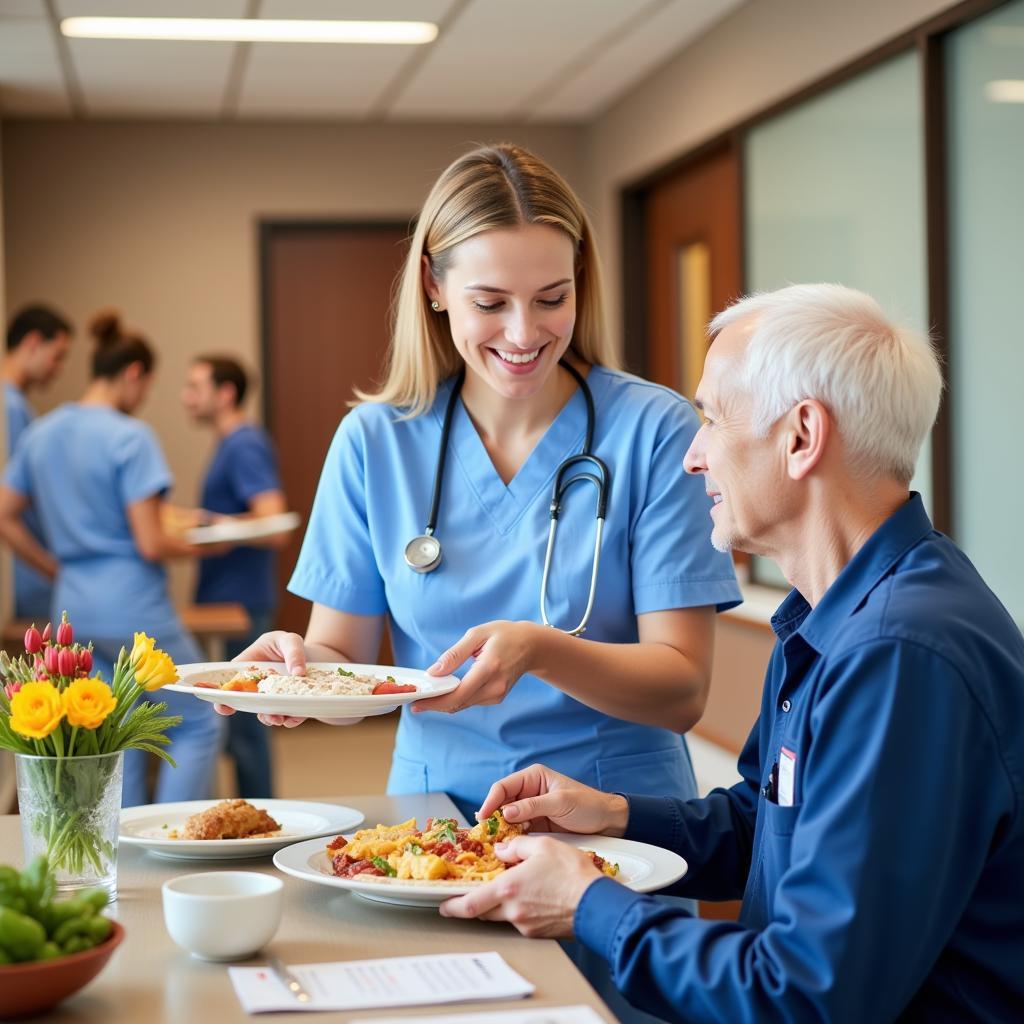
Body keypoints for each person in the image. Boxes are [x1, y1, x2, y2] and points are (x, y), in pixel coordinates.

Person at [221, 143, 740, 1023]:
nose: (524, 332)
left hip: (614, 834)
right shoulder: (375, 442)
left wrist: (541, 650)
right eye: (490, 302)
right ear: (432, 285)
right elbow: (343, 655)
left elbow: (683, 688)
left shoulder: (652, 430)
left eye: (553, 299)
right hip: (431, 829)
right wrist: (294, 670)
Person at [440, 284, 1024, 1024]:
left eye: (712, 417)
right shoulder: (835, 615)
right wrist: (613, 816)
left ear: (802, 436)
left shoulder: (900, 655)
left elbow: (808, 997)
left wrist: (587, 904)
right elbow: (766, 829)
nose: (692, 455)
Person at [0, 311, 223, 806]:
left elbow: (5, 515)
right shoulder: (130, 435)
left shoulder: (42, 432)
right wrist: (209, 544)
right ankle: (176, 841)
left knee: (121, 729)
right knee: (199, 717)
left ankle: (130, 852)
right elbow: (150, 541)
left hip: (73, 606)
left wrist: (55, 566)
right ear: (133, 374)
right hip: (132, 605)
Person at [182, 355, 287, 798]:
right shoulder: (229, 442)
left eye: (195, 387)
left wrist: (209, 525)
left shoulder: (243, 444)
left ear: (225, 393)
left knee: (246, 723)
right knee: (239, 720)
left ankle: (261, 819)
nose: (187, 398)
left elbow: (272, 517)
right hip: (228, 598)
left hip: (240, 602)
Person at [3, 304, 72, 619]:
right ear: (31, 343)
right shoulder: (10, 409)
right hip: (26, 579)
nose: (58, 369)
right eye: (57, 356)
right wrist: (53, 570)